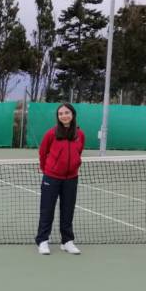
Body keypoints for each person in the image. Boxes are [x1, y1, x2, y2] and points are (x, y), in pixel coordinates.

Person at [36, 103, 85, 255]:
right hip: (51, 177)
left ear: (73, 114)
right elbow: (43, 153)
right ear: (58, 117)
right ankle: (43, 241)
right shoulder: (51, 133)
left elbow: (79, 151)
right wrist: (47, 170)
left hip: (71, 178)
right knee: (47, 210)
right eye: (61, 113)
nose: (64, 115)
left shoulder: (79, 134)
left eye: (67, 112)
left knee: (68, 210)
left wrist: (74, 166)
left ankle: (67, 241)